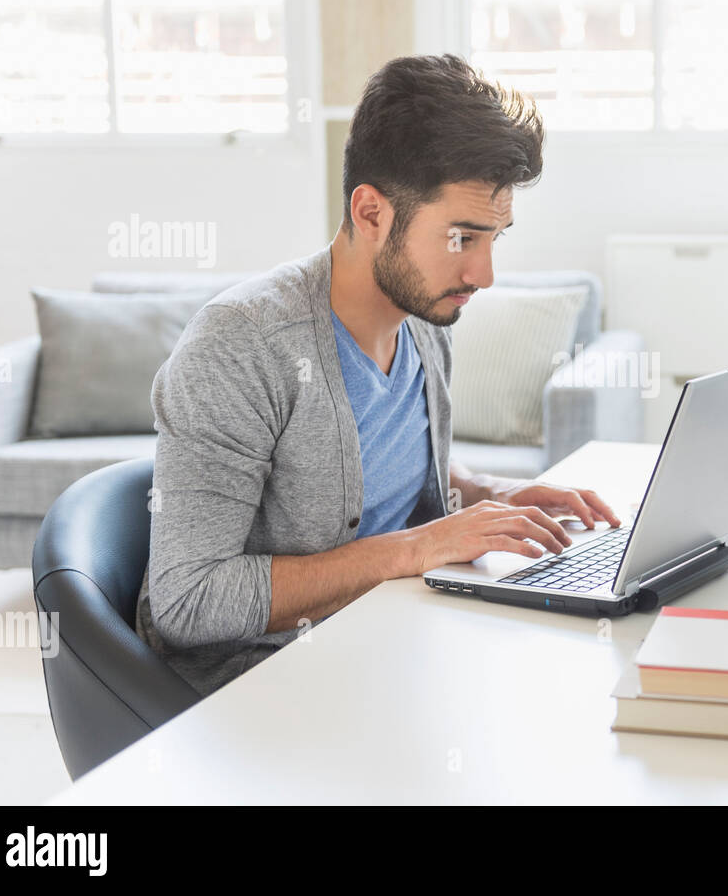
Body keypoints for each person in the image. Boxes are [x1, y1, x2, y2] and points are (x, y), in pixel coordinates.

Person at [135, 54, 619, 696]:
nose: (484, 274)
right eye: (461, 239)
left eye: (494, 239)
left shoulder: (422, 322)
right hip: (263, 687)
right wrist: (418, 548)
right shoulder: (241, 347)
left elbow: (382, 472)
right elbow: (188, 601)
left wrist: (490, 497)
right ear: (371, 214)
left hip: (394, 640)